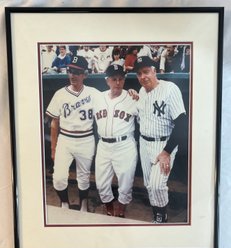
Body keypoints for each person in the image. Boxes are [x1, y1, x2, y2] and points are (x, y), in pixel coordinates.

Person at [134, 56, 187, 223]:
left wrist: (166, 152)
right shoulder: (141, 92)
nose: (143, 76)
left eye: (146, 71)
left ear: (154, 71)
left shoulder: (170, 89)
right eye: (139, 73)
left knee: (157, 185)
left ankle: (161, 217)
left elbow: (182, 124)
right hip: (144, 143)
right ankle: (156, 214)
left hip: (164, 144)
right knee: (149, 185)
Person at [46, 55, 100, 211]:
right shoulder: (60, 94)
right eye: (70, 71)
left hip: (86, 139)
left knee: (83, 177)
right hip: (65, 139)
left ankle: (84, 203)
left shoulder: (94, 93)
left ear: (85, 75)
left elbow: (111, 99)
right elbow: (54, 123)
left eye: (77, 72)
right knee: (58, 178)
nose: (72, 75)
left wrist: (131, 92)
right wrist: (54, 148)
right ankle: (64, 203)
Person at [94, 64, 138, 218]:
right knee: (101, 183)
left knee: (125, 183)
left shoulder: (133, 97)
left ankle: (121, 210)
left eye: (121, 79)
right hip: (103, 145)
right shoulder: (98, 97)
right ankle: (109, 207)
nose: (118, 82)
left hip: (124, 145)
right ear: (108, 81)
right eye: (114, 79)